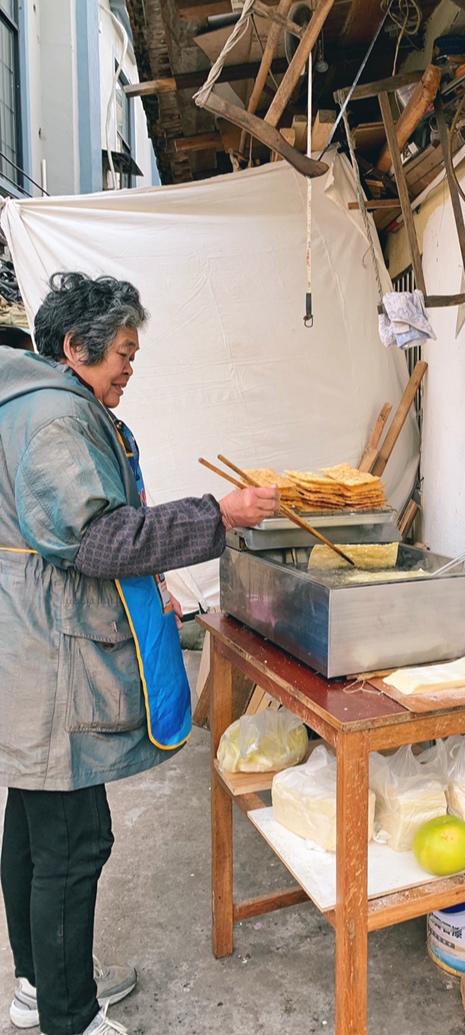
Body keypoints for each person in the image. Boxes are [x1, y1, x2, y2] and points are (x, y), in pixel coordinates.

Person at [0, 272, 281, 1035]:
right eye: (122, 351)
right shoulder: (57, 418)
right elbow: (97, 538)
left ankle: (36, 983)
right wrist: (216, 514)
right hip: (52, 658)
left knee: (31, 825)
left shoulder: (26, 401)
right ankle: (68, 1015)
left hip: (24, 645)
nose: (129, 366)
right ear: (73, 346)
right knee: (71, 842)